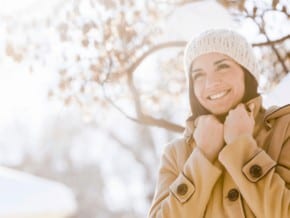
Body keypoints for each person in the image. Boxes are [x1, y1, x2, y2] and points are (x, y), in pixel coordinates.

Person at [148, 29, 290, 218]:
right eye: (198, 75)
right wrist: (202, 158)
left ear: (246, 73)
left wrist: (242, 147)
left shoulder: (284, 128)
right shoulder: (176, 154)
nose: (211, 82)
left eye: (222, 66)